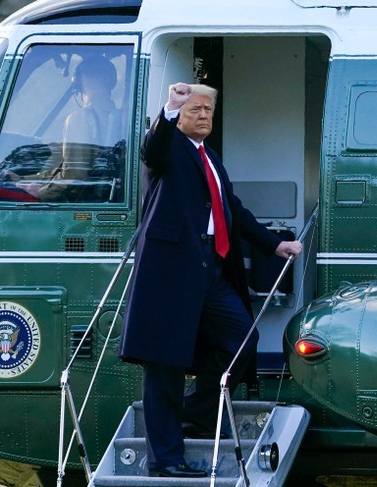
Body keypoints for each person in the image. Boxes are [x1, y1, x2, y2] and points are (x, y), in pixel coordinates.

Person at [118, 82, 302, 478]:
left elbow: (232, 209)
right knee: (164, 365)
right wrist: (168, 109)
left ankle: (194, 413)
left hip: (210, 267)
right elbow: (152, 148)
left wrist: (274, 245)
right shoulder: (167, 149)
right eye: (194, 110)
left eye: (208, 111)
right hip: (170, 272)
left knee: (241, 340)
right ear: (179, 115)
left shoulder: (210, 156)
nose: (202, 116)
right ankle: (165, 460)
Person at [0, 55, 121, 202]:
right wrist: (21, 179)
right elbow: (67, 168)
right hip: (98, 196)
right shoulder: (121, 117)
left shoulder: (80, 118)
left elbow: (75, 175)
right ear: (112, 82)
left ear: (78, 82)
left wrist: (42, 193)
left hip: (77, 201)